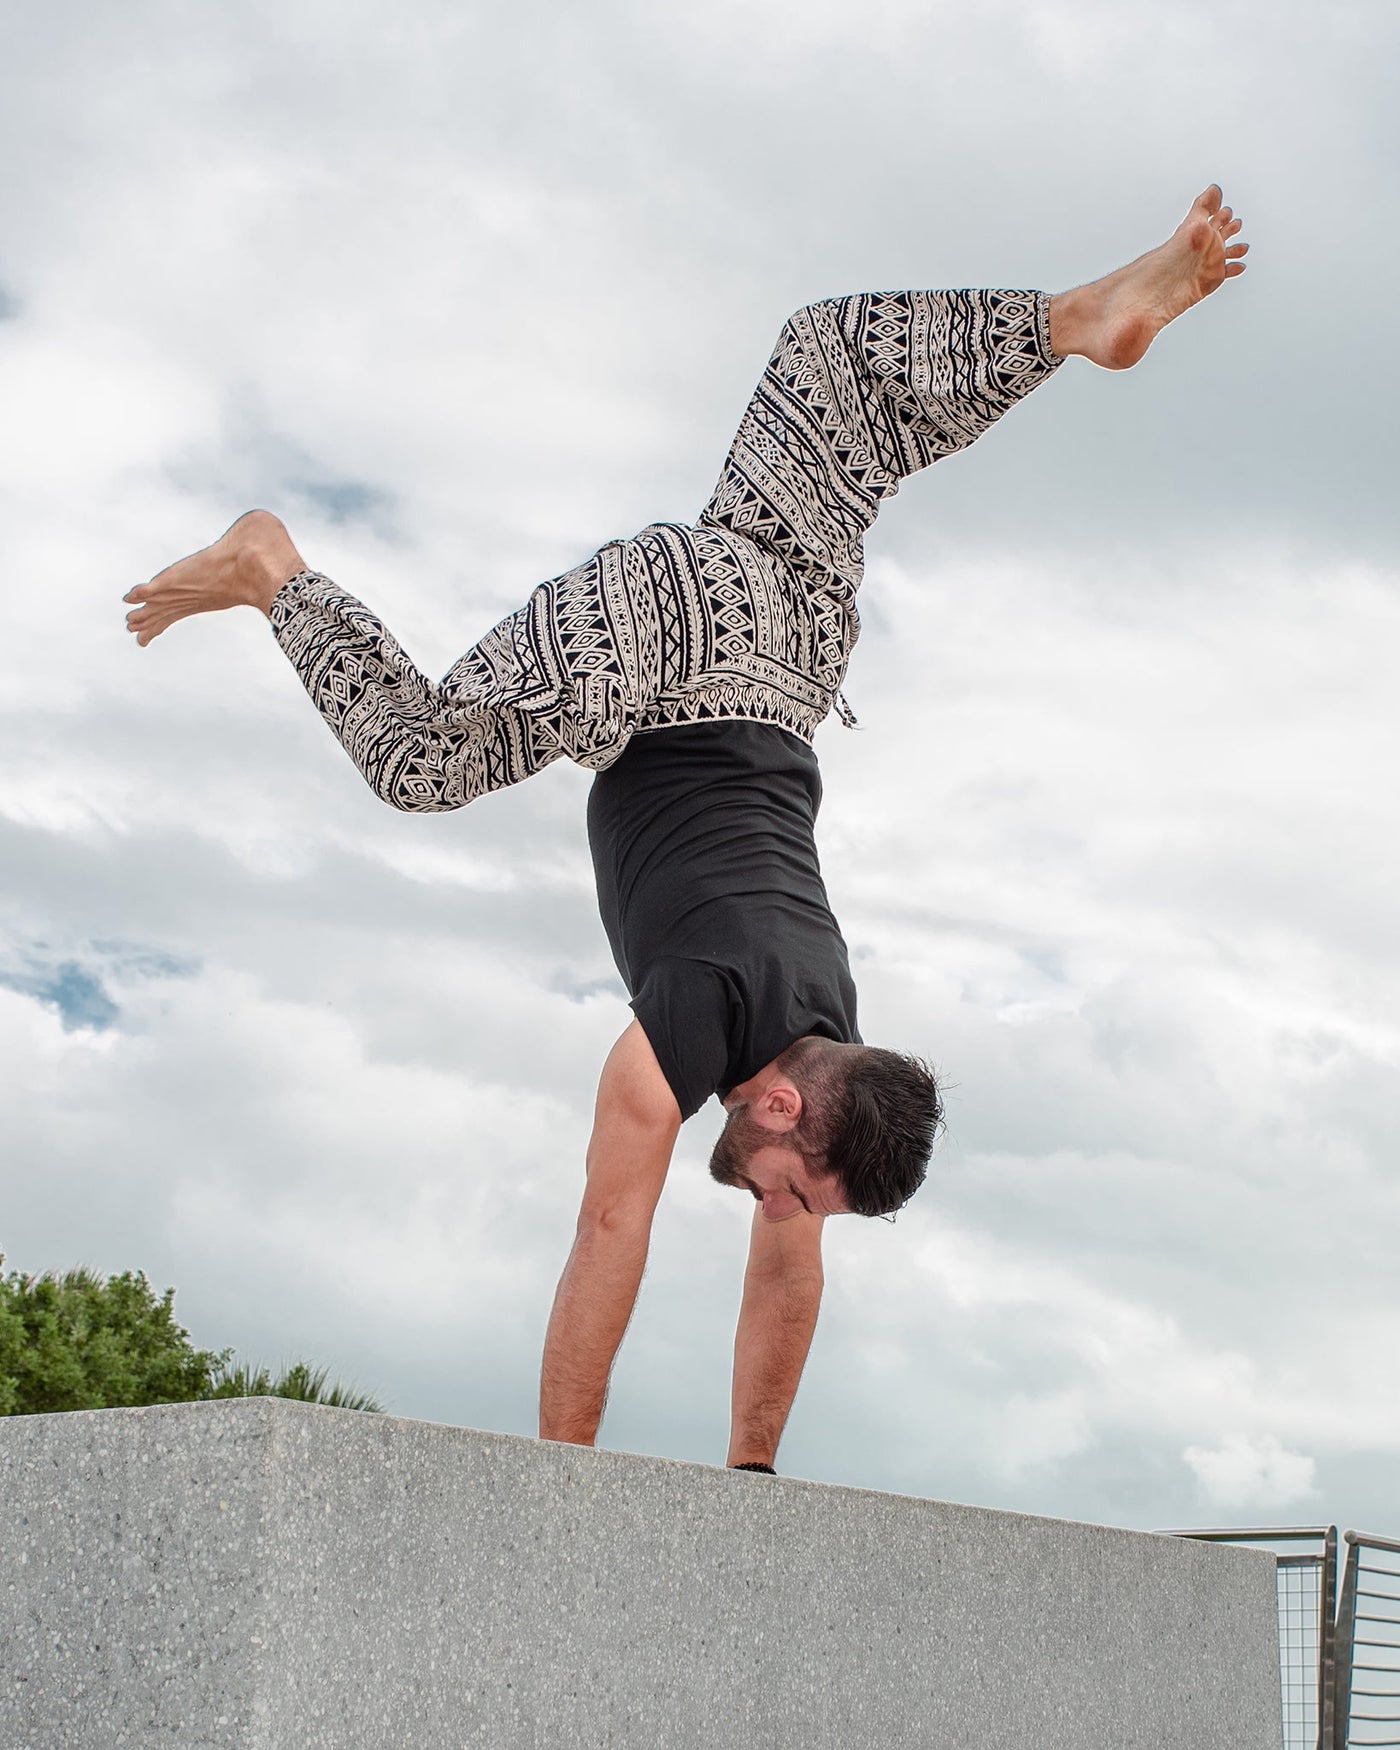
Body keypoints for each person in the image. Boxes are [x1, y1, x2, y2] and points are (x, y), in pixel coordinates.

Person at [124, 187, 1248, 1473]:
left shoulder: (833, 1038)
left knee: (830, 373)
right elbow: (611, 1225)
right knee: (421, 760)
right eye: (785, 1185)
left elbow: (786, 1274)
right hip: (662, 645)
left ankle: (1074, 319)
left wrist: (750, 1480)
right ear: (778, 1102)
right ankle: (276, 564)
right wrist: (568, 1480)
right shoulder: (698, 1017)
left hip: (781, 624)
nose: (772, 1208)